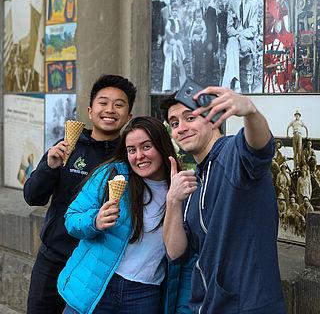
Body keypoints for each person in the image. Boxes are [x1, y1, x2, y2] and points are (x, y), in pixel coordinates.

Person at [160, 86, 286, 313]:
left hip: (250, 305)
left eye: (190, 117)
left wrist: (250, 112)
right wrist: (173, 201)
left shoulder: (232, 153)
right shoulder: (195, 180)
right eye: (175, 123)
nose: (181, 128)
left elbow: (260, 148)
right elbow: (175, 252)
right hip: (209, 305)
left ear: (213, 118)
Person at [23, 74, 137, 314]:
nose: (110, 110)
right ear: (89, 110)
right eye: (103, 103)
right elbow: (33, 197)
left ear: (129, 116)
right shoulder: (66, 147)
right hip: (55, 258)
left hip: (95, 267)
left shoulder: (131, 157)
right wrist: (49, 166)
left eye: (119, 105)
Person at [57, 117, 195, 314]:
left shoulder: (183, 189)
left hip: (144, 293)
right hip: (97, 284)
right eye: (132, 150)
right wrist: (95, 220)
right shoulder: (112, 174)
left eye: (146, 147)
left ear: (162, 146)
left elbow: (183, 256)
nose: (139, 156)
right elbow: (71, 219)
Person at [222, 0, 258, 93]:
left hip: (247, 40)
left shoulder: (253, 2)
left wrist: (240, 35)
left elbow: (252, 29)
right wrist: (237, 36)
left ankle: (228, 86)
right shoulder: (232, 2)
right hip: (235, 39)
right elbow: (229, 29)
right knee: (232, 43)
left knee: (231, 46)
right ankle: (237, 84)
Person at [188, 8, 207, 80]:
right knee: (196, 39)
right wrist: (191, 38)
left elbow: (205, 29)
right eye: (197, 17)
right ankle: (197, 73)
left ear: (202, 17)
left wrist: (202, 35)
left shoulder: (203, 22)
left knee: (204, 36)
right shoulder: (194, 23)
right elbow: (191, 31)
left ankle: (197, 73)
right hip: (196, 42)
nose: (199, 19)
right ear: (195, 17)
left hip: (202, 39)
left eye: (200, 17)